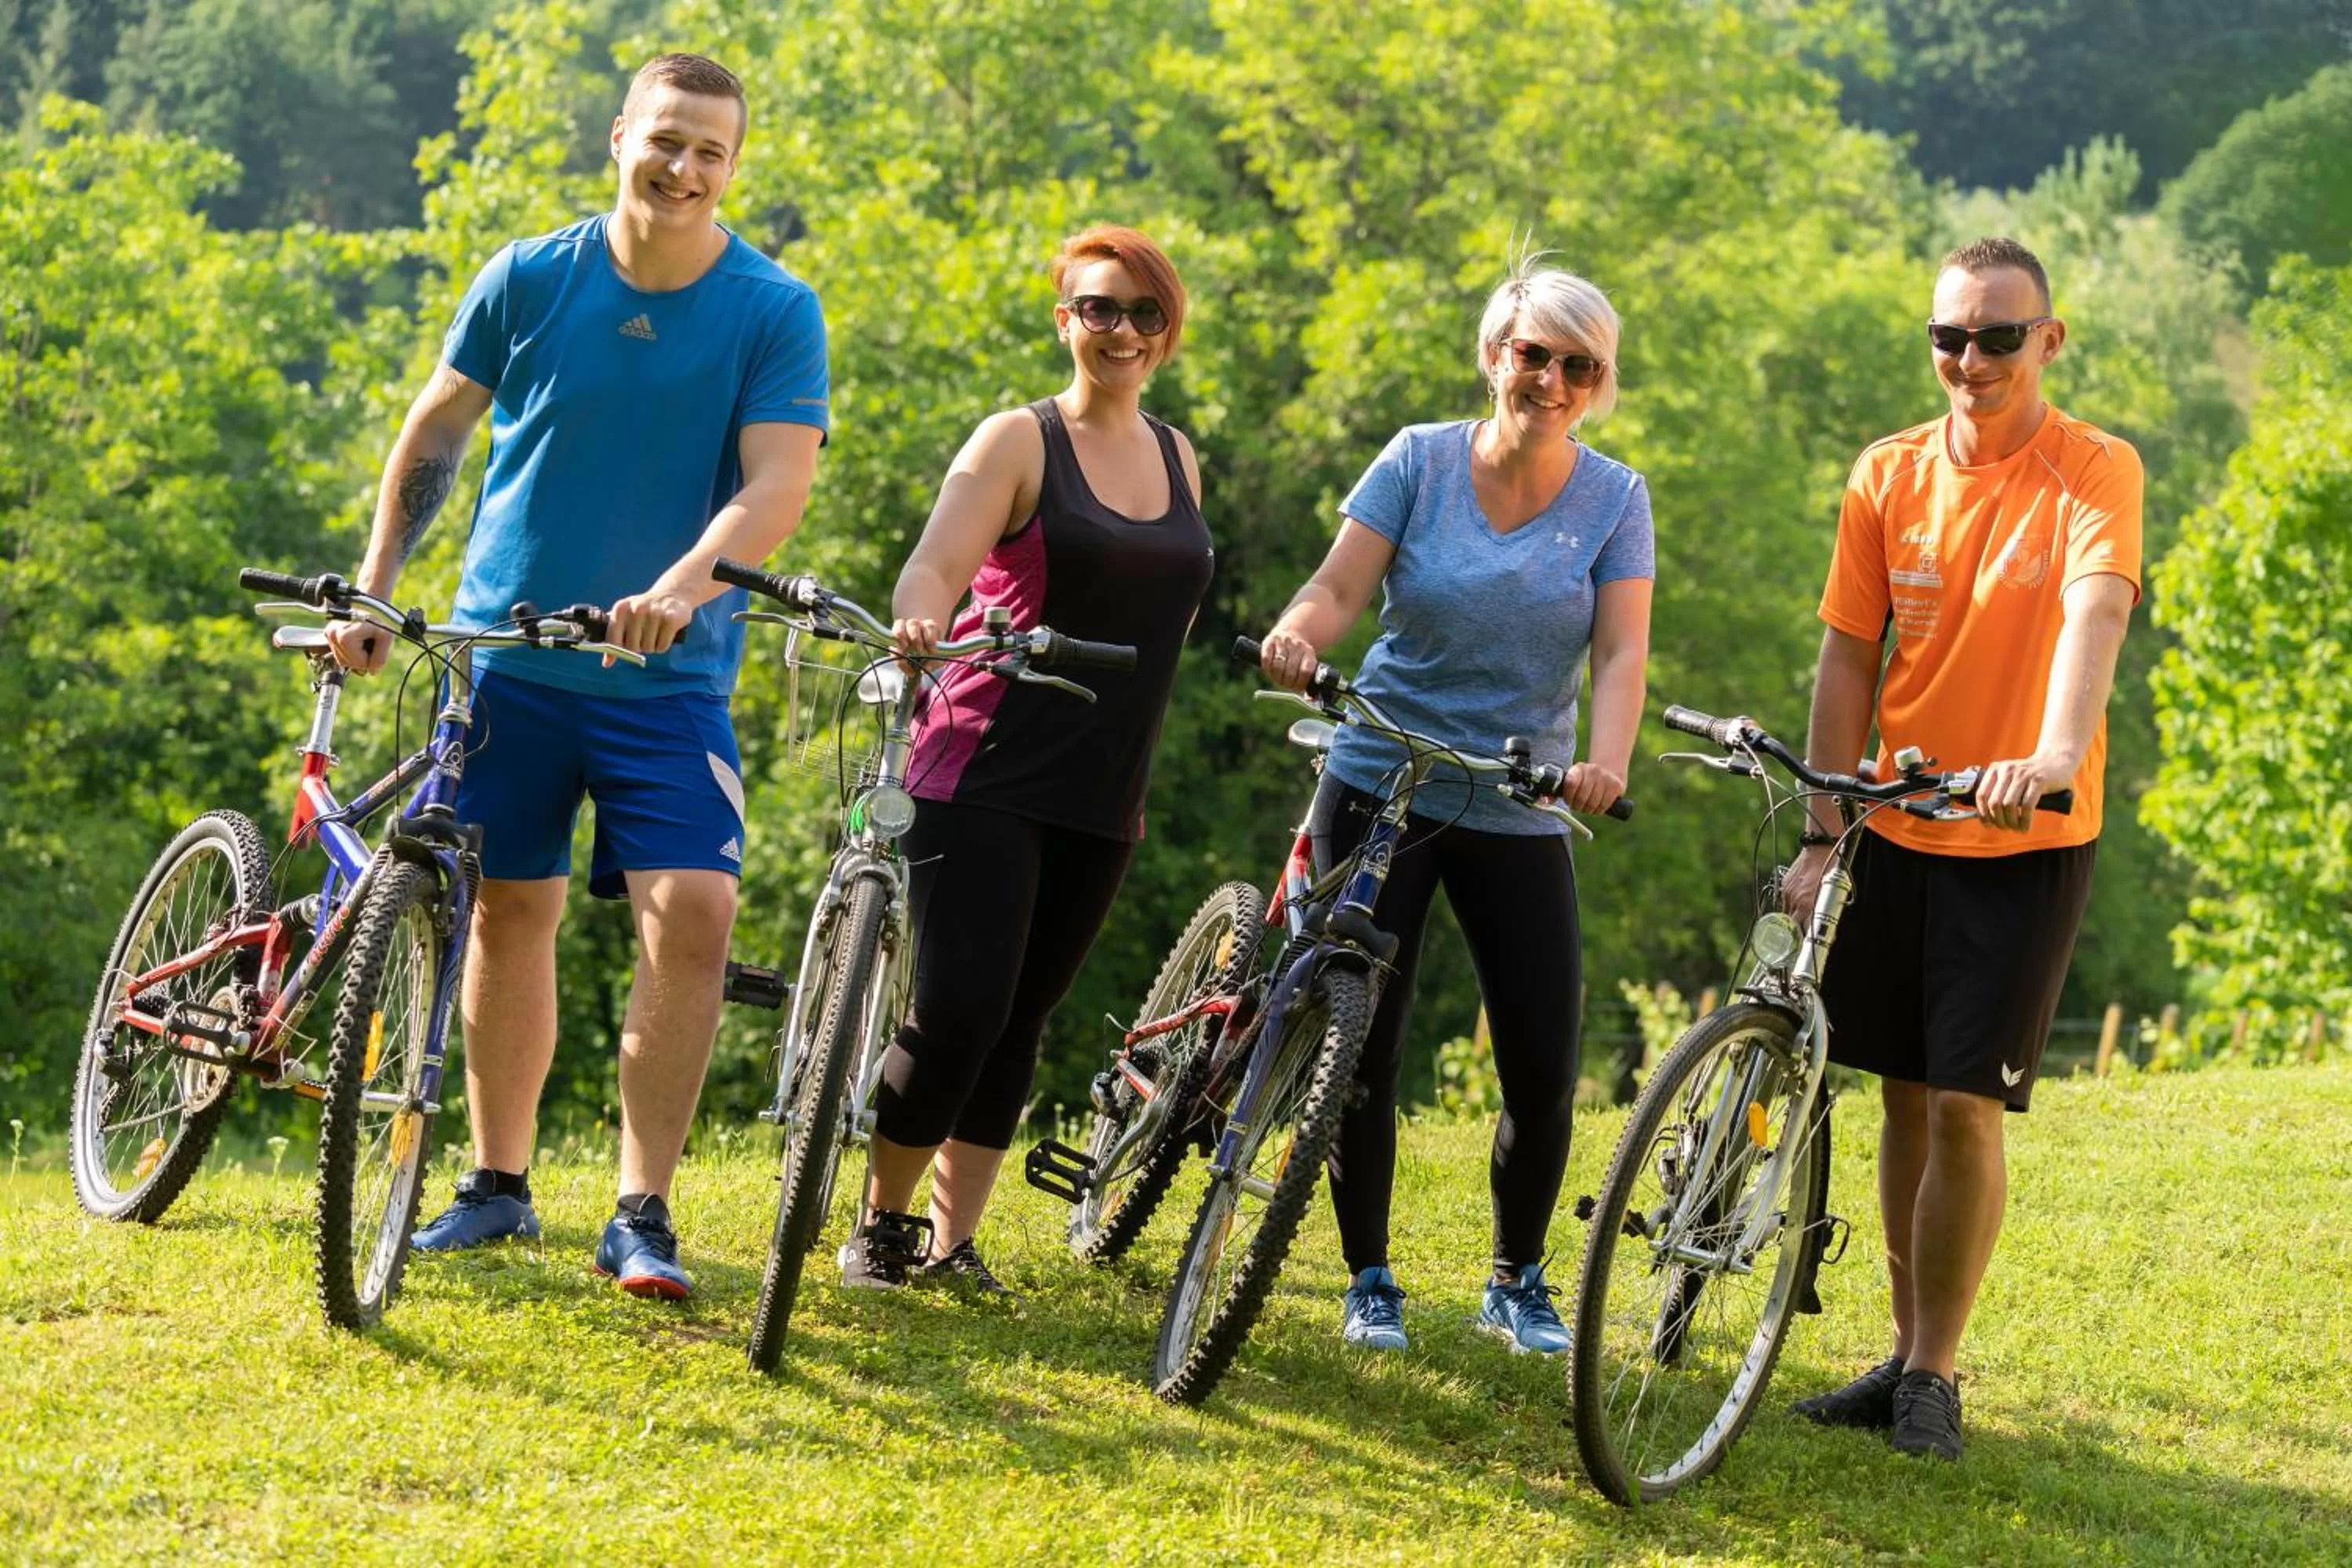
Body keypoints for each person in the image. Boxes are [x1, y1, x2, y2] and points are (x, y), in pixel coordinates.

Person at [325, 53, 829, 1301]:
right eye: (666, 140)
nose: (686, 168)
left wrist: (686, 584)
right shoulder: (531, 275)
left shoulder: (773, 308)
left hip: (670, 678)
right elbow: (439, 426)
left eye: (712, 151)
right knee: (509, 910)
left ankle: (640, 1211)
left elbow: (780, 482)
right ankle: (497, 1190)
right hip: (512, 661)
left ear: (734, 167)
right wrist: (383, 577)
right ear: (620, 138)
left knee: (696, 915)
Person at [1782, 237, 2141, 1459]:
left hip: (2023, 833)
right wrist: (1829, 828)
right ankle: (1898, 1350)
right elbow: (1847, 652)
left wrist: (2048, 754)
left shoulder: (2094, 470)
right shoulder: (1886, 475)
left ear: (2050, 340)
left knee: (1965, 1111)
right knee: (1900, 1094)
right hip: (1899, 822)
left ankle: (1936, 1371)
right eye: (1949, 337)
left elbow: (2095, 609)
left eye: (1998, 336)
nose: (1970, 360)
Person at [1257, 257, 1652, 1356]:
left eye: (1582, 366)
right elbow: (1338, 587)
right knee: (1362, 1041)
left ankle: (1516, 1279)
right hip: (1380, 771)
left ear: (1600, 381)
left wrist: (1605, 761)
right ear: (1496, 355)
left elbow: (1621, 650)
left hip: (1517, 797)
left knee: (1540, 1054)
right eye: (1536, 355)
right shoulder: (1419, 461)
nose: (1554, 381)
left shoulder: (1616, 499)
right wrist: (1300, 633)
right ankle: (1368, 1276)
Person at [837, 226, 1213, 1295]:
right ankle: (882, 1228)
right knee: (960, 1008)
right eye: (1101, 308)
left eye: (1147, 314)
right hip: (983, 762)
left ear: (1168, 331)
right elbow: (933, 568)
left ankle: (955, 1246)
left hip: (1105, 785)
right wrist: (919, 625)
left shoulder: (1180, 457)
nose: (1125, 331)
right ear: (1066, 320)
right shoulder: (1017, 441)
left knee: (1021, 1020)